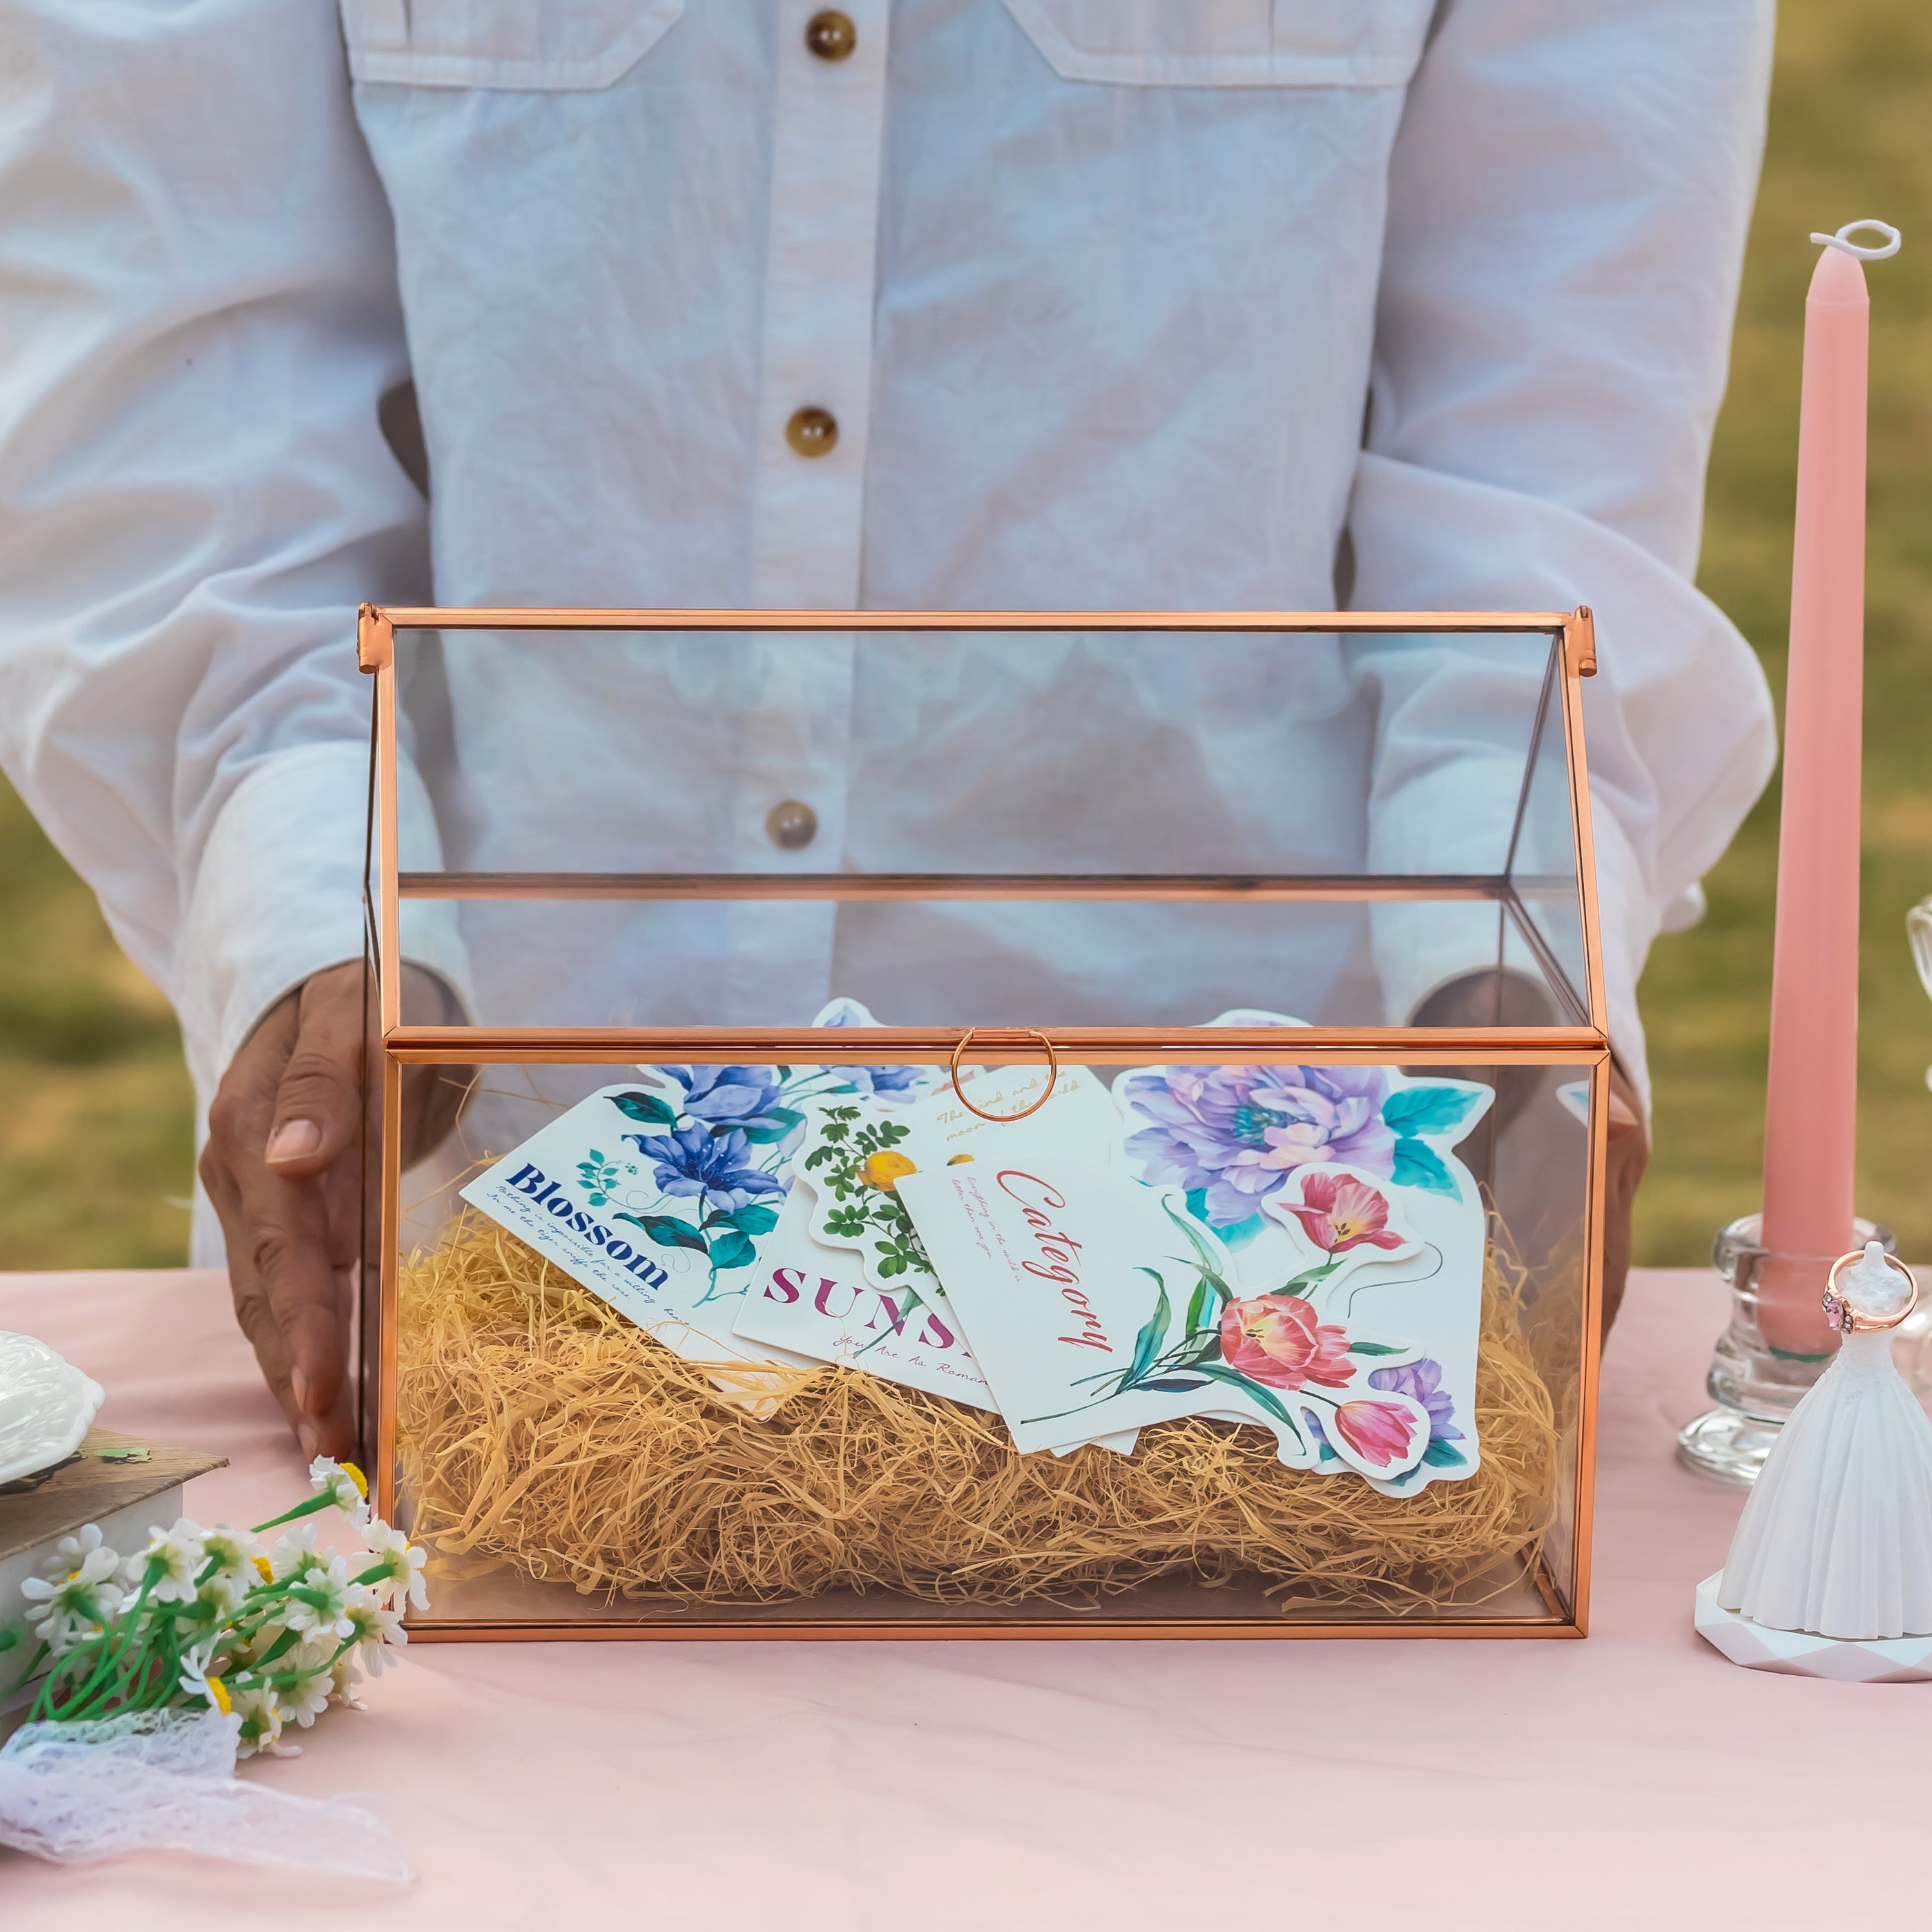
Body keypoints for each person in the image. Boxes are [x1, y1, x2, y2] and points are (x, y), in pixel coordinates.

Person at [0, 0, 1775, 1459]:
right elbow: (187, 426)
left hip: (1255, 1297)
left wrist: (1510, 964)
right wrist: (320, 922)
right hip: (484, 1245)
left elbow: (1542, 453)